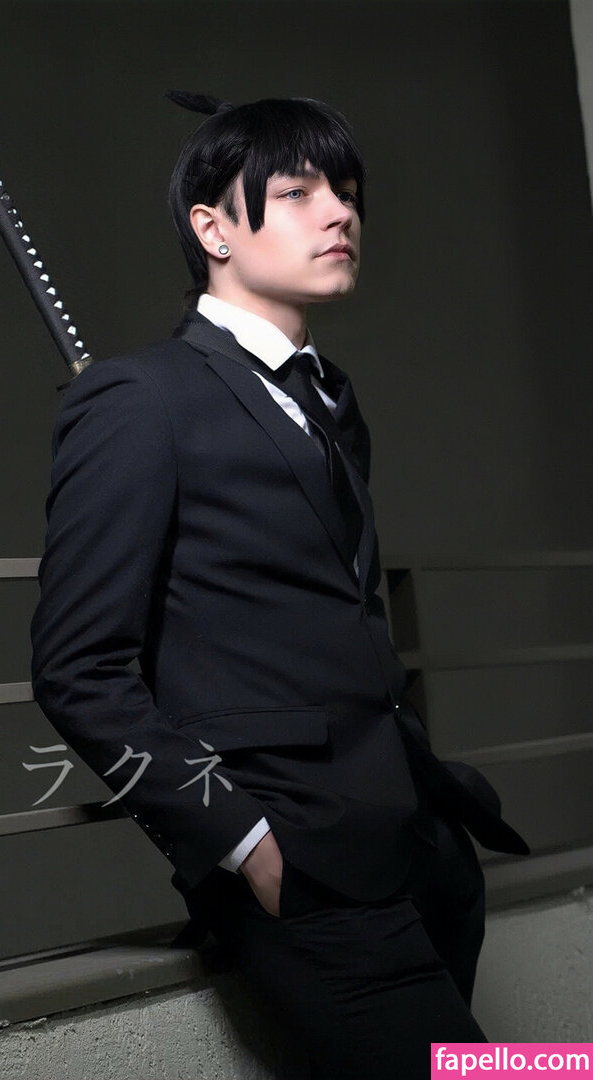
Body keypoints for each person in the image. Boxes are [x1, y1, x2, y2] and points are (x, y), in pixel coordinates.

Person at [30, 92, 529, 1079]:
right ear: (211, 228)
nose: (339, 211)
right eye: (297, 192)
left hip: (422, 848)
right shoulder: (138, 400)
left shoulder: (329, 396)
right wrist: (239, 836)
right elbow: (77, 670)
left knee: (487, 1067)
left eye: (345, 190)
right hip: (306, 871)